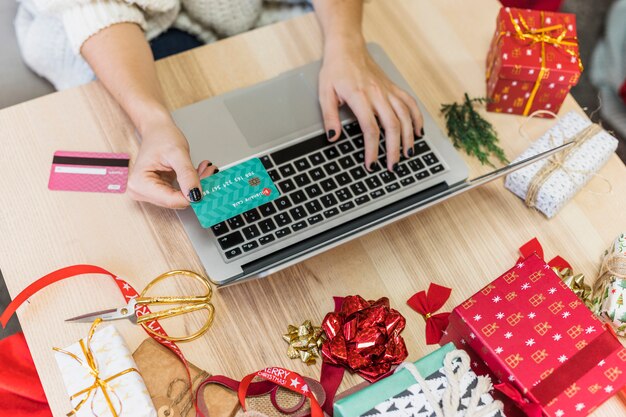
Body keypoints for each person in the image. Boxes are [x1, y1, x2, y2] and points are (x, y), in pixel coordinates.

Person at [16, 0, 424, 209]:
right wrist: (153, 121)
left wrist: (348, 47)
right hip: (132, 29)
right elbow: (93, 10)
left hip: (252, 14)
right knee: (176, 175)